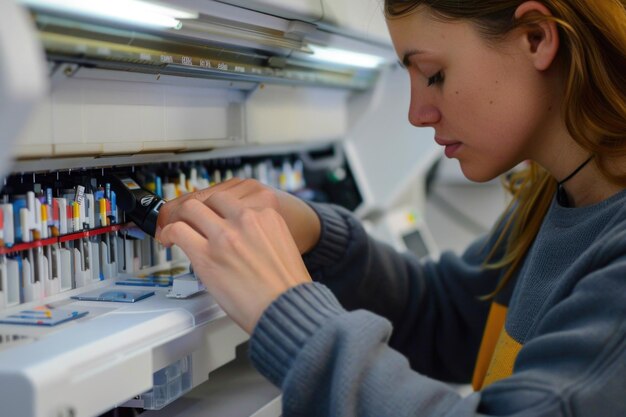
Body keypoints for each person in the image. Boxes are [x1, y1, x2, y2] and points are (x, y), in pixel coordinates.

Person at [156, 1, 626, 415]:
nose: (417, 113)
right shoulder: (557, 196)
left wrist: (287, 313)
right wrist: (319, 237)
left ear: (536, 38)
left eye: (434, 75)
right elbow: (450, 318)